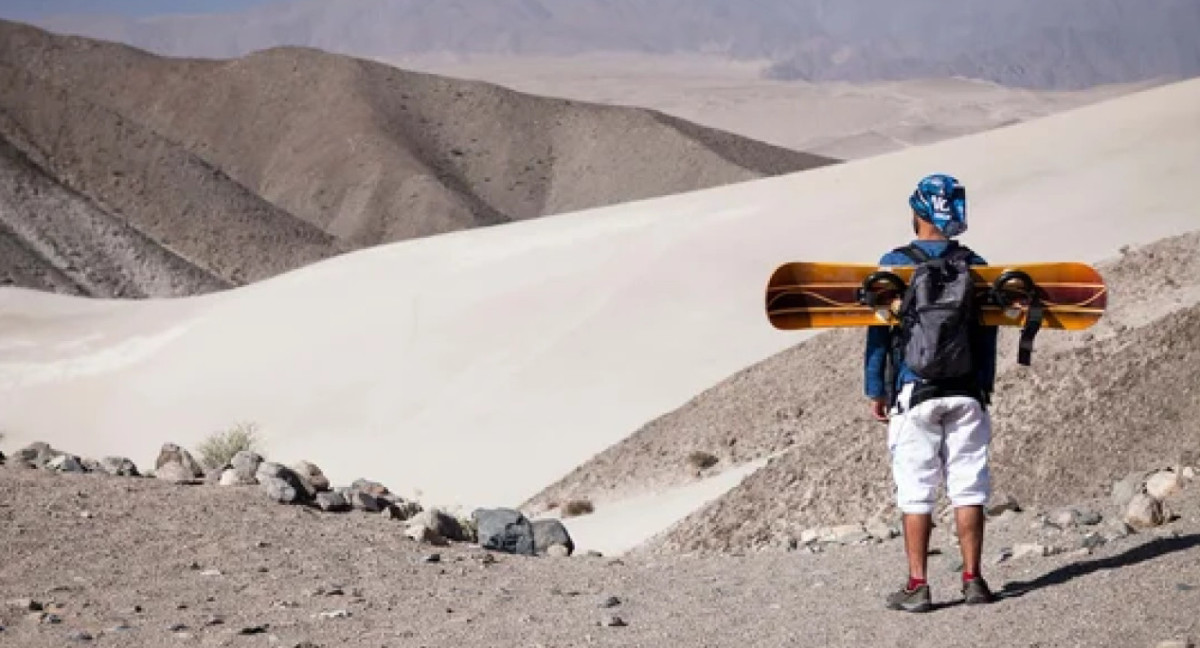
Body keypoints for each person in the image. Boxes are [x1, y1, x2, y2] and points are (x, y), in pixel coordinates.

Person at [864, 174, 999, 612]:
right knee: (968, 487)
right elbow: (987, 334)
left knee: (916, 490)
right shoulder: (976, 264)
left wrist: (876, 389)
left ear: (918, 212)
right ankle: (973, 579)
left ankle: (918, 585)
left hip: (913, 389)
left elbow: (879, 334)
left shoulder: (895, 263)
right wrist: (982, 386)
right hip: (965, 390)